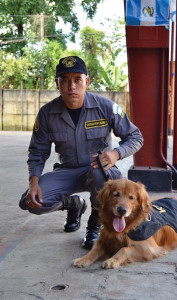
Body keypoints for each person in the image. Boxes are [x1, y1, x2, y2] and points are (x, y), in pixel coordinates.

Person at [19, 56, 143, 250]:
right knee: (31, 202)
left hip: (98, 171)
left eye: (77, 79)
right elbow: (37, 151)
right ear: (57, 84)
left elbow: (135, 137)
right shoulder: (47, 113)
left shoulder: (106, 107)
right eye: (65, 80)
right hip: (66, 171)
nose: (71, 86)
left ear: (87, 82)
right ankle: (74, 204)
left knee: (99, 175)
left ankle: (94, 225)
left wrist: (116, 154)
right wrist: (33, 182)